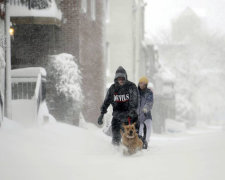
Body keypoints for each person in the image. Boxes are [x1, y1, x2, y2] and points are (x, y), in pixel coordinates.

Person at [98, 66, 138, 145]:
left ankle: (132, 153)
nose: (121, 80)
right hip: (117, 117)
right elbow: (106, 102)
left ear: (125, 78)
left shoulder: (131, 87)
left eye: (122, 78)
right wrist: (102, 114)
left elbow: (134, 101)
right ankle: (116, 153)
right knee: (115, 138)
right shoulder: (113, 89)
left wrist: (131, 113)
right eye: (119, 78)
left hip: (129, 117)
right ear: (116, 79)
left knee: (130, 139)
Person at [137, 77, 154, 149]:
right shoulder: (136, 92)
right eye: (141, 83)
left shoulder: (149, 92)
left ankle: (146, 141)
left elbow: (150, 102)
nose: (142, 85)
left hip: (146, 113)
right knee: (140, 127)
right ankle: (139, 141)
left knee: (148, 126)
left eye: (144, 83)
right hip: (138, 114)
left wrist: (145, 109)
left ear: (146, 84)